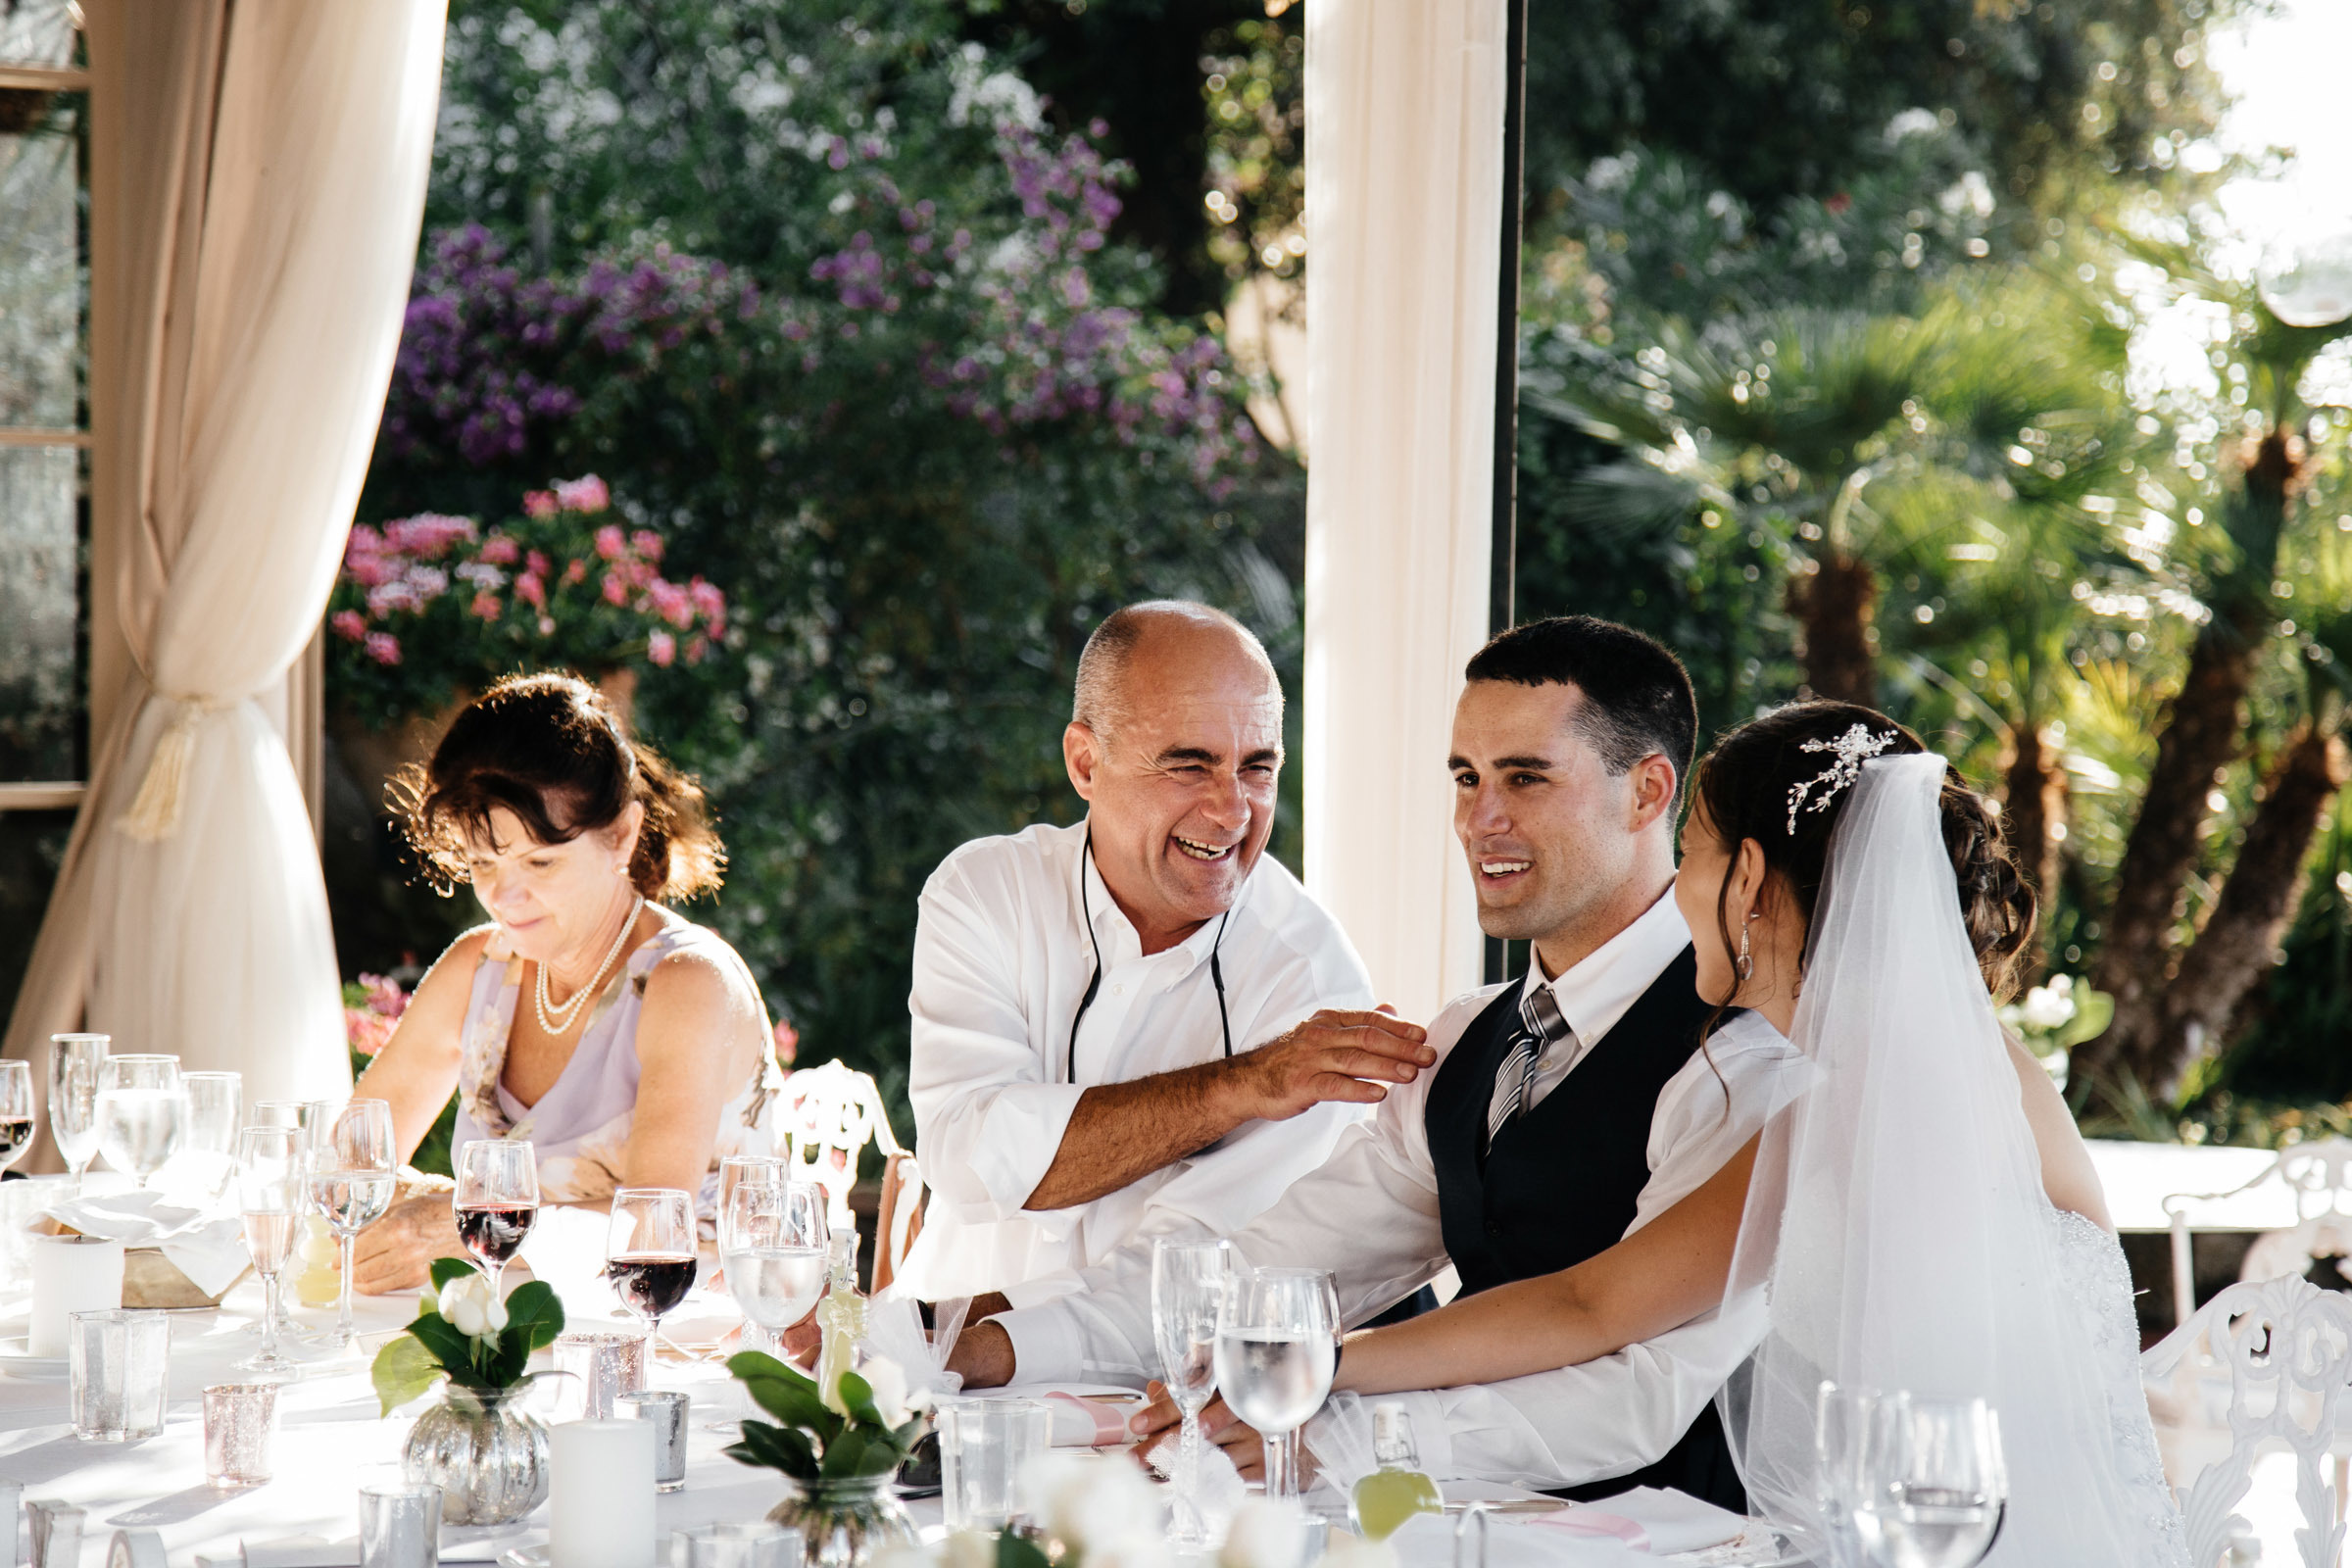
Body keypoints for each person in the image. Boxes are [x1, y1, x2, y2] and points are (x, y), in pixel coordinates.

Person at [955, 616, 1800, 1508]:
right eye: (1467, 779)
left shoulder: (1739, 1056)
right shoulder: (1464, 1041)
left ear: (1648, 793)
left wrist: (1341, 1433)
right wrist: (993, 1348)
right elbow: (1269, 1268)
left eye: (1525, 777)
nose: (1481, 820)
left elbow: (1640, 1392)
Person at [1317, 704, 2184, 1565]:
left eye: (1691, 854)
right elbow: (1591, 1306)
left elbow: (1595, 1306)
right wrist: (1328, 1365)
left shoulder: (1871, 1094)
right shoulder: (1916, 1065)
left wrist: (1322, 1368)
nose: (1676, 889)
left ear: (1751, 880)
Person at [894, 601, 1432, 1306]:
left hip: (1147, 1392)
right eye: (1189, 766)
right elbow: (968, 1159)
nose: (1233, 810)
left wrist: (982, 1341)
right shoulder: (987, 892)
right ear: (1086, 763)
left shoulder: (1312, 979)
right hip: (930, 1379)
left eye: (1257, 768)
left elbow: (1195, 1268)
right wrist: (1240, 1086)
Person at [349, 672, 783, 1295]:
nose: (505, 896)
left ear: (622, 836)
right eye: (482, 863)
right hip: (510, 1327)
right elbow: (349, 1162)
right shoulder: (478, 969)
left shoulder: (687, 984)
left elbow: (653, 1232)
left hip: (693, 1342)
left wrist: (472, 1226)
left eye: (540, 862)